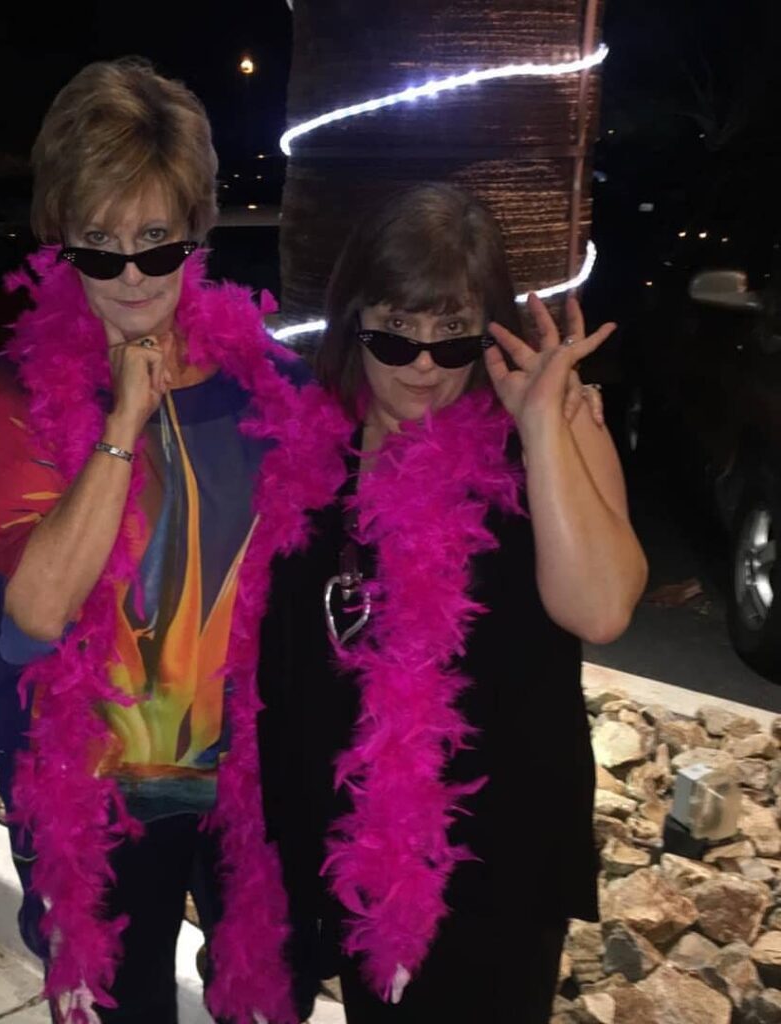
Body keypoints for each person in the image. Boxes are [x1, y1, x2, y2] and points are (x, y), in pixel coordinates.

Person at [0, 59, 318, 1024]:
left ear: (198, 234)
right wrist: (122, 422)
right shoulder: (23, 394)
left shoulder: (274, 388)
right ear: (61, 242)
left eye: (156, 244)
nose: (130, 276)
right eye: (100, 246)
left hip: (247, 782)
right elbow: (35, 608)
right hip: (100, 802)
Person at [252, 183, 649, 1022]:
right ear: (356, 319)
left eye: (452, 334)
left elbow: (603, 610)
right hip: (360, 863)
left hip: (499, 865)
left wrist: (541, 426)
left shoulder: (553, 425)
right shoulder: (315, 452)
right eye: (398, 335)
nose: (425, 367)